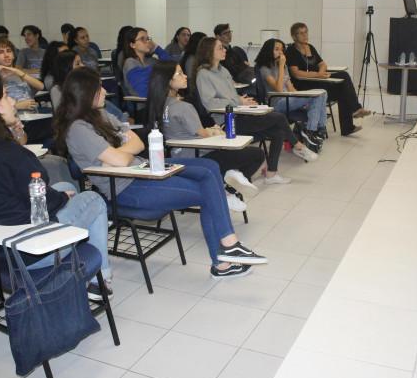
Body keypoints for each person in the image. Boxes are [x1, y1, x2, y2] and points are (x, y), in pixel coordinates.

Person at [54, 67, 268, 278]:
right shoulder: (78, 129)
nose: (104, 91)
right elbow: (121, 158)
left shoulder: (100, 115)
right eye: (98, 88)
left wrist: (121, 154)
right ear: (84, 93)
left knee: (209, 168)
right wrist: (123, 153)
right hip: (126, 188)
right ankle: (226, 255)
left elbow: (137, 142)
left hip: (141, 169)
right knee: (208, 192)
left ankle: (227, 253)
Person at [0, 74, 113, 297]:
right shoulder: (8, 153)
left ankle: (87, 273)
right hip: (28, 254)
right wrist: (64, 200)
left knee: (61, 186)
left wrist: (60, 196)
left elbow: (22, 192)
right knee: (92, 200)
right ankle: (101, 279)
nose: (12, 101)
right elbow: (43, 196)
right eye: (6, 96)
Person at [194, 37, 318, 185]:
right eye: (220, 48)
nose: (224, 50)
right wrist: (238, 101)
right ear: (209, 52)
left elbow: (232, 95)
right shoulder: (203, 74)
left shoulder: (223, 70)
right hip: (227, 122)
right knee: (278, 118)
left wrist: (243, 101)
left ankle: (271, 174)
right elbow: (210, 103)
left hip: (240, 114)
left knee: (278, 131)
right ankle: (298, 146)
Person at [147, 62, 263, 212]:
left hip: (177, 156)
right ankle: (226, 189)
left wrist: (210, 130)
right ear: (169, 81)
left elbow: (192, 131)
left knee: (232, 154)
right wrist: (215, 131)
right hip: (199, 155)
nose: (186, 76)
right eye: (180, 73)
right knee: (256, 154)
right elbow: (202, 133)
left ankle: (227, 181)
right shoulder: (183, 107)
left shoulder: (159, 105)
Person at [285, 22, 370, 136]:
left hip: (318, 81)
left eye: (306, 32)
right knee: (343, 79)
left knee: (343, 82)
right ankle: (354, 111)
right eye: (301, 33)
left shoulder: (310, 47)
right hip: (304, 85)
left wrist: (320, 72)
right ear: (294, 36)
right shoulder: (291, 51)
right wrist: (317, 75)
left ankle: (348, 125)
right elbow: (296, 74)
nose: (305, 35)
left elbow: (323, 64)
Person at [256, 38, 327, 152]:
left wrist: (302, 98)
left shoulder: (282, 66)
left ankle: (318, 129)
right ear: (269, 50)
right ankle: (311, 131)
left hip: (289, 99)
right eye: (277, 49)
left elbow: (290, 88)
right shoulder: (265, 68)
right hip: (276, 103)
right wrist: (281, 67)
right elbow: (279, 89)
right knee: (316, 97)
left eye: (282, 50)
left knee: (322, 93)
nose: (280, 52)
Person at [0, 37, 43, 110]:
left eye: (8, 51)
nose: (6, 55)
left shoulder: (20, 74)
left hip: (32, 115)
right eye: (1, 52)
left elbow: (41, 87)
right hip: (12, 118)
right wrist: (16, 106)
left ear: (13, 55)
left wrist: (19, 72)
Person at [122, 27, 155, 97]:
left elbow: (173, 65)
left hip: (158, 100)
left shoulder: (151, 60)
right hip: (144, 104)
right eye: (142, 39)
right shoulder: (130, 62)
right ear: (132, 45)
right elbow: (143, 92)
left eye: (148, 39)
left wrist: (156, 48)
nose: (147, 42)